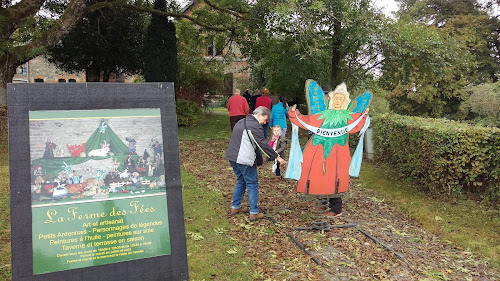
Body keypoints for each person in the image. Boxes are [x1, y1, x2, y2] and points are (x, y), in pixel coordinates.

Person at [288, 83, 369, 217]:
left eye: (340, 99)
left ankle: (335, 208)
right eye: (335, 98)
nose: (337, 101)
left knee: (335, 176)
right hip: (318, 149)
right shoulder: (322, 113)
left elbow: (356, 125)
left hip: (337, 151)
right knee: (318, 175)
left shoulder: (346, 116)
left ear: (345, 101)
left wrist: (364, 116)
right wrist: (293, 114)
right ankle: (321, 203)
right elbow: (307, 121)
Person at [225, 106, 287, 221]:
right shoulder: (254, 126)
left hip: (232, 157)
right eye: (265, 119)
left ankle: (235, 207)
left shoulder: (241, 121)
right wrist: (277, 158)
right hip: (244, 159)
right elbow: (263, 144)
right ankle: (254, 212)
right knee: (252, 183)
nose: (264, 122)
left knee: (241, 180)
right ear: (259, 114)